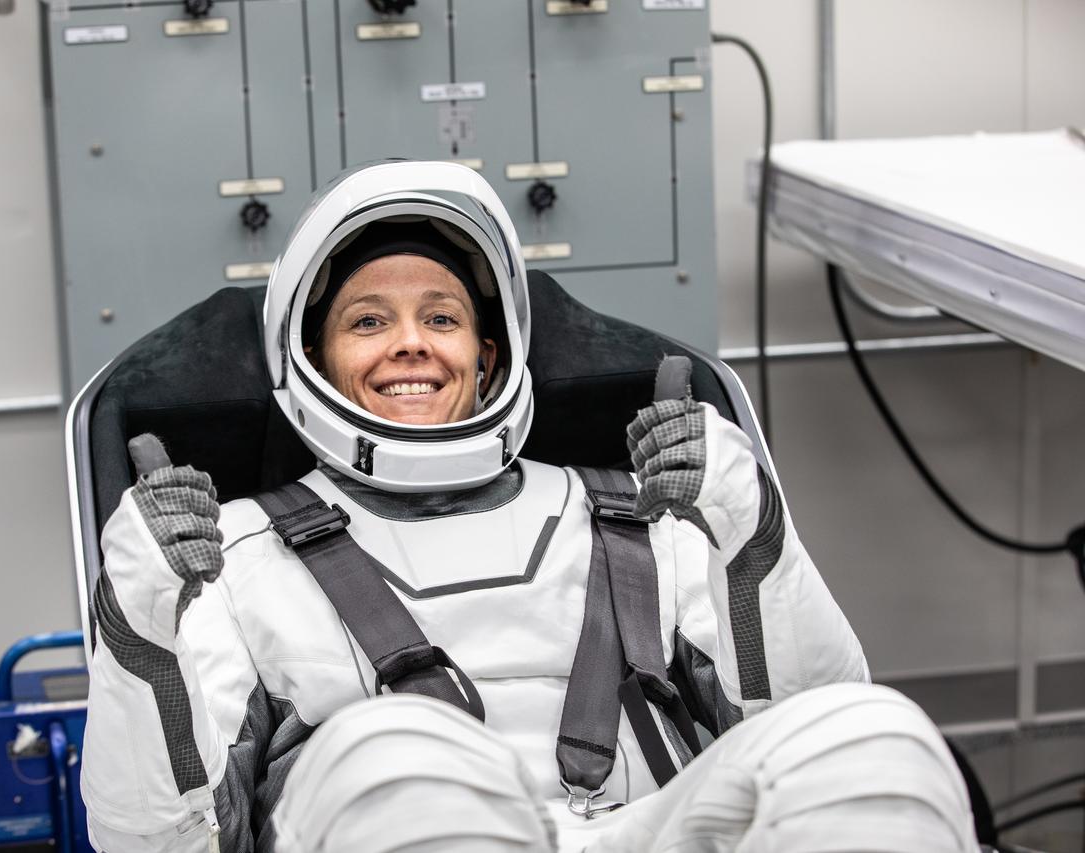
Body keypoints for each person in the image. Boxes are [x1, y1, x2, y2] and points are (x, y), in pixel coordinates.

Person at [80, 161, 980, 852]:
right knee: (396, 755)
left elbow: (795, 719)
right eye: (366, 321)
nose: (409, 344)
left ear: (487, 352)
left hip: (636, 828)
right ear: (309, 360)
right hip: (390, 823)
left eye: (441, 317)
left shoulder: (642, 512)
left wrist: (749, 534)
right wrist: (140, 629)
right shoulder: (223, 556)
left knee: (874, 739)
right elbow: (164, 842)